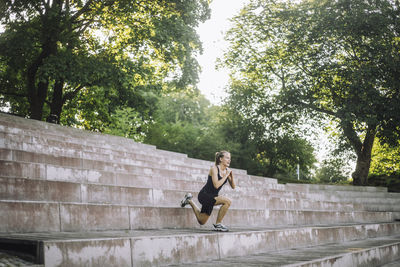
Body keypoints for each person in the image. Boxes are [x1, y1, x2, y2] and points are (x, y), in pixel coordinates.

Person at [180, 151, 236, 232]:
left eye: (230, 158)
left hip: (213, 197)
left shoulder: (226, 171)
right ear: (220, 159)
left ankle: (189, 201)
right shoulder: (214, 169)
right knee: (228, 201)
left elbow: (233, 186)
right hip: (205, 195)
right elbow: (216, 185)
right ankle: (218, 224)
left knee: (201, 221)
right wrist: (226, 175)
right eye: (227, 158)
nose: (229, 160)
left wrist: (231, 175)